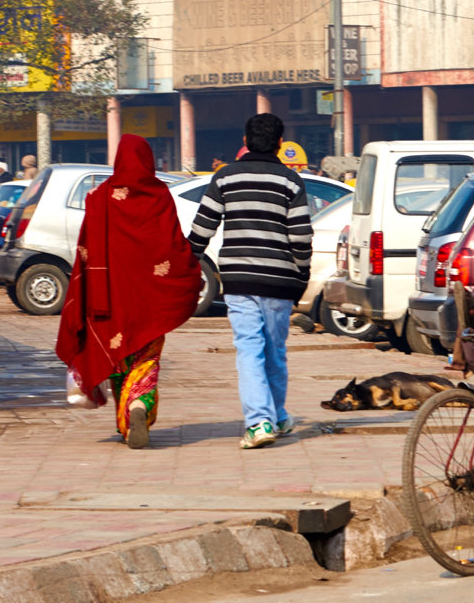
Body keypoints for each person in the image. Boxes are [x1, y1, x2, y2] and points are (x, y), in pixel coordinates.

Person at [55, 135, 201, 449]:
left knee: (118, 356)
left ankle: (127, 417)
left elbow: (86, 252)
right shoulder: (159, 195)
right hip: (152, 299)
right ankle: (138, 407)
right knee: (146, 359)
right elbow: (173, 244)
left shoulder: (100, 196)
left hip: (109, 298)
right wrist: (190, 270)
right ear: (149, 160)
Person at [188, 114, 313, 449]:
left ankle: (261, 421)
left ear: (246, 141)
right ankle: (276, 417)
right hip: (280, 280)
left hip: (239, 280)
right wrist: (302, 273)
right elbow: (300, 236)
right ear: (279, 143)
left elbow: (203, 228)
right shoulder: (291, 181)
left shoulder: (225, 177)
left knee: (249, 350)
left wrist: (189, 260)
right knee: (274, 350)